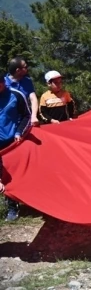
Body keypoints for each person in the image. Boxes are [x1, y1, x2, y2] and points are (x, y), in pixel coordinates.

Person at [0, 75, 31, 221]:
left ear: (3, 83)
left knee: (17, 173)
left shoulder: (16, 95)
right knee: (3, 176)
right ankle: (11, 207)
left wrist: (19, 132)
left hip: (12, 143)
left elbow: (27, 115)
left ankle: (27, 202)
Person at [5, 57, 39, 128]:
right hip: (7, 122)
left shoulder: (27, 81)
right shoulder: (3, 83)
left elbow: (33, 98)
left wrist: (34, 116)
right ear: (18, 70)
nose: (27, 68)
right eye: (25, 67)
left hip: (24, 119)